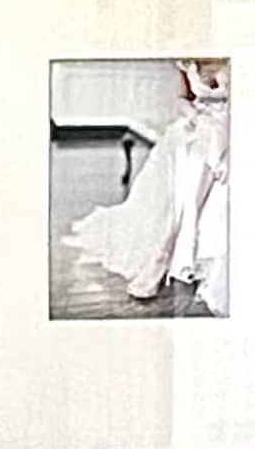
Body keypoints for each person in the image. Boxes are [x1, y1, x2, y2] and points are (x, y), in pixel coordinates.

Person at [62, 58, 232, 314]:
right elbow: (181, 100)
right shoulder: (186, 63)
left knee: (200, 161)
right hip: (198, 126)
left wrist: (219, 128)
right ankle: (160, 257)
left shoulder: (233, 58)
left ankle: (182, 257)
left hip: (229, 128)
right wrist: (196, 117)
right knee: (183, 166)